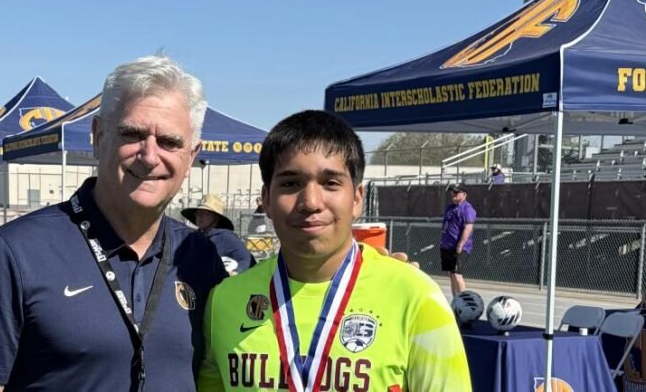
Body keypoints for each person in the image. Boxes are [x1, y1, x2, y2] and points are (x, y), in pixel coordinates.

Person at [0, 56, 227, 391]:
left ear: (192, 156)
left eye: (170, 142)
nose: (149, 156)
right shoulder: (18, 251)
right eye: (132, 134)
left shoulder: (200, 258)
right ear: (98, 136)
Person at [198, 110, 471, 391]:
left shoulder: (415, 297)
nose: (311, 202)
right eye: (290, 183)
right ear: (266, 199)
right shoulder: (223, 302)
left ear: (356, 198)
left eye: (330, 183)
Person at [182, 194, 256, 275]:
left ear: (215, 218)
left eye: (204, 213)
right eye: (198, 213)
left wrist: (235, 272)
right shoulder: (195, 237)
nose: (199, 216)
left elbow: (246, 259)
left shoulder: (226, 237)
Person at [441, 183, 476, 297]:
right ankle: (455, 300)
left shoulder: (467, 209)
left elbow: (468, 228)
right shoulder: (450, 208)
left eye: (456, 192)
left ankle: (464, 301)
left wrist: (460, 245)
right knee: (451, 274)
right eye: (452, 192)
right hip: (447, 246)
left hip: (459, 247)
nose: (453, 195)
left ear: (464, 194)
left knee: (457, 274)